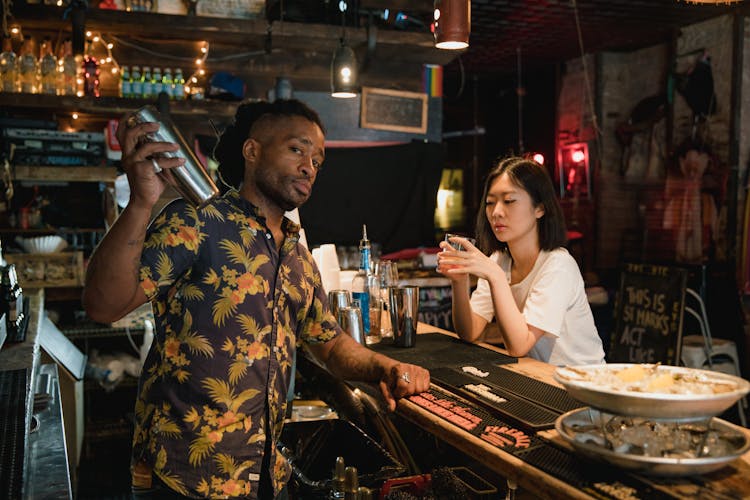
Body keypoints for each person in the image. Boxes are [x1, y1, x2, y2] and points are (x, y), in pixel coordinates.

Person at [82, 99, 430, 499]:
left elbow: (330, 345)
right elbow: (103, 305)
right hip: (184, 477)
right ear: (252, 151)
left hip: (264, 475)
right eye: (297, 150)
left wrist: (384, 367)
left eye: (317, 160)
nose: (309, 167)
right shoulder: (197, 221)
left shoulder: (297, 255)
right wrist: (142, 203)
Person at [436, 156, 605, 366]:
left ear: (540, 208)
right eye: (490, 203)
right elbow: (470, 332)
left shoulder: (558, 265)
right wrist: (459, 282)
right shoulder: (499, 260)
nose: (496, 212)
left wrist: (495, 276)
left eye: (509, 201)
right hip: (540, 378)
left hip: (582, 384)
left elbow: (518, 345)